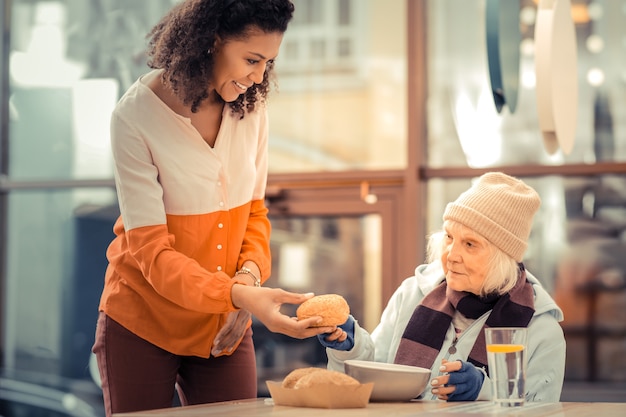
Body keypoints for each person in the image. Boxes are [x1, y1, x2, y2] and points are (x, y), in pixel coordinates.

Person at [91, 1, 335, 415]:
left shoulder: (251, 106)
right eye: (252, 59)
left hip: (223, 322)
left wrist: (246, 284)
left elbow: (254, 214)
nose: (259, 77)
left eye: (268, 63)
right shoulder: (134, 118)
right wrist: (240, 296)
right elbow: (151, 254)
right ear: (211, 42)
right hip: (142, 322)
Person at [318, 172, 566, 402]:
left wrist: (485, 390)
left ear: (501, 259)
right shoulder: (411, 293)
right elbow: (373, 380)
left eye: (470, 244)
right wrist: (351, 348)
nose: (452, 255)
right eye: (449, 237)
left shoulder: (542, 331)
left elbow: (542, 409)